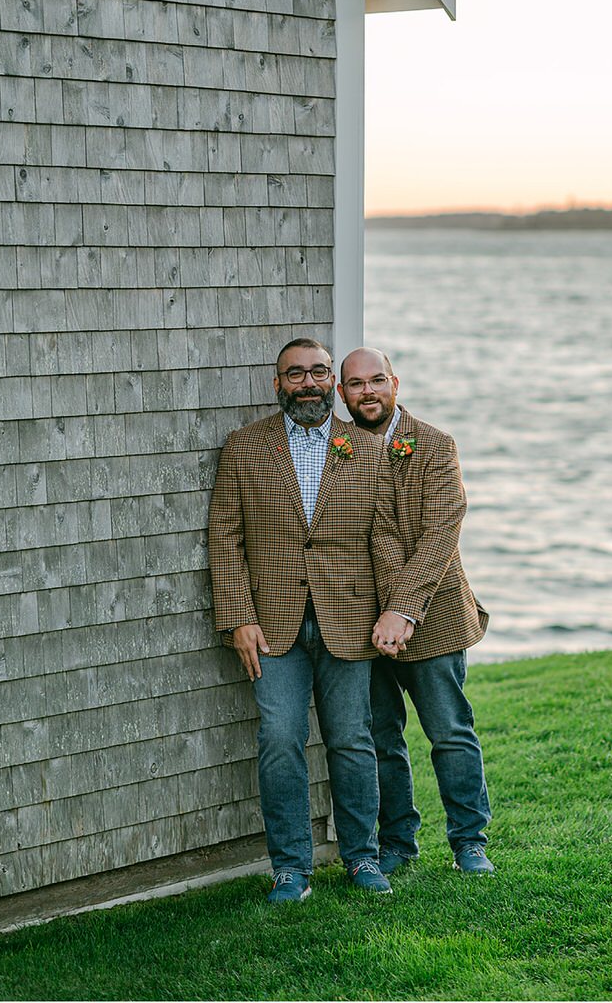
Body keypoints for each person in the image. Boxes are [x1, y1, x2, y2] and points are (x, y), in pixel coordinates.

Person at [208, 337, 402, 903]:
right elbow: (224, 538)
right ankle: (290, 868)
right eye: (296, 375)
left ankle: (362, 858)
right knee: (281, 739)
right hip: (272, 626)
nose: (310, 383)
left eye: (320, 373)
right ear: (279, 384)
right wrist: (237, 617)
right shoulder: (245, 447)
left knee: (352, 741)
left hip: (350, 620)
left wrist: (396, 607)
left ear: (332, 385)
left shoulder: (364, 447)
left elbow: (383, 537)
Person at [338, 347, 494, 876]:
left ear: (395, 383)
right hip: (361, 626)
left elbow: (440, 534)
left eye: (376, 380)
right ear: (343, 394)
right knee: (382, 737)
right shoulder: (337, 450)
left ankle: (470, 841)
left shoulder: (433, 445)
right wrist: (373, 615)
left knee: (450, 731)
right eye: (355, 384)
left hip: (435, 617)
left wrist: (402, 611)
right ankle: (398, 843)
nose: (368, 392)